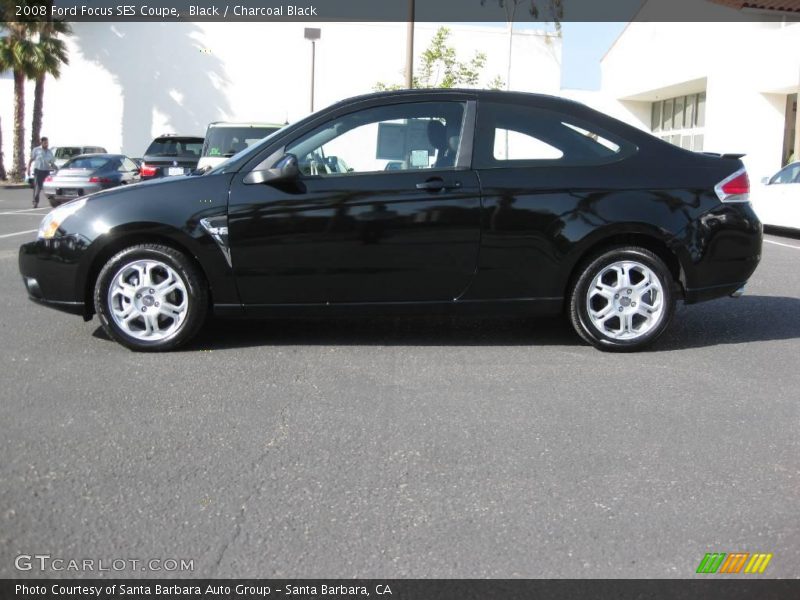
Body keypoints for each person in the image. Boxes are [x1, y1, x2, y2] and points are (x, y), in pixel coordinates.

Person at [28, 137, 56, 208]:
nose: (47, 144)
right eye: (45, 143)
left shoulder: (49, 151)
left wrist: (57, 169)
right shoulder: (36, 150)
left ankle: (52, 202)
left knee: (48, 187)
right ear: (41, 142)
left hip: (46, 171)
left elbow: (52, 163)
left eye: (47, 142)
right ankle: (35, 202)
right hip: (38, 170)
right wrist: (28, 169)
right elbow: (31, 160)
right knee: (37, 187)